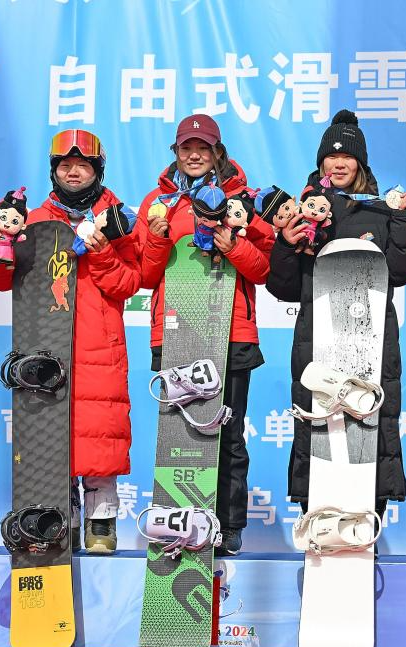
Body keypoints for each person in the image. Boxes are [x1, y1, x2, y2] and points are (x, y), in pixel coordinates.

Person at [0, 129, 140, 555]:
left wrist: (102, 250)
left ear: (97, 171)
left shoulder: (120, 220)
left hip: (99, 343)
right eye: (65, 165)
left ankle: (101, 524)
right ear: (53, 171)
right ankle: (60, 523)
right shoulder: (33, 221)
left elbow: (129, 283)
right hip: (46, 342)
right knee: (52, 437)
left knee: (100, 436)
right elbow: (0, 281)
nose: (73, 172)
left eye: (82, 165)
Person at [266, 110, 406, 526]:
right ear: (320, 162)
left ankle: (366, 522)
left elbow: (404, 270)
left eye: (347, 157)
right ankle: (316, 521)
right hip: (316, 337)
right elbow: (283, 287)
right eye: (331, 157)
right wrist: (285, 245)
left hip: (372, 339)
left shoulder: (381, 211)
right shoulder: (302, 212)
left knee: (371, 420)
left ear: (361, 163)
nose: (338, 164)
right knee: (317, 424)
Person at [135, 113, 275, 556]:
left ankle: (228, 526)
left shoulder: (242, 201)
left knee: (227, 433)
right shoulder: (158, 203)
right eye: (186, 148)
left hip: (231, 331)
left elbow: (264, 269)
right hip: (174, 330)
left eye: (203, 147)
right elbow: (143, 276)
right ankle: (178, 525)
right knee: (179, 436)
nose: (194, 155)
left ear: (218, 152)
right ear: (175, 153)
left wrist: (234, 244)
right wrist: (157, 239)